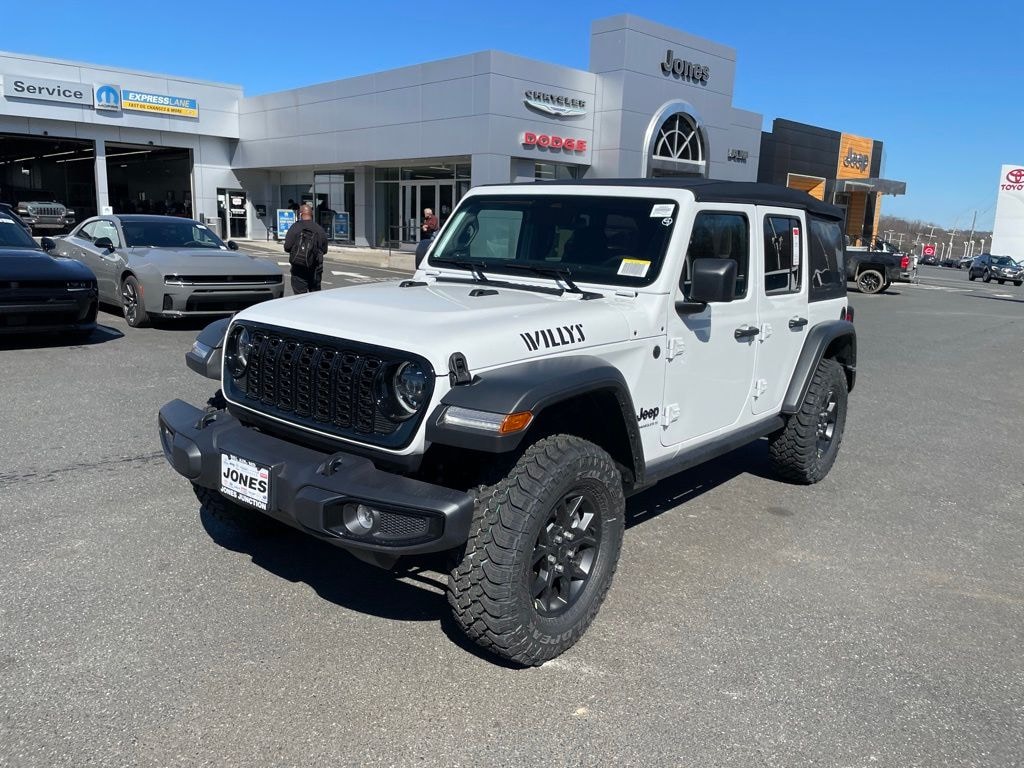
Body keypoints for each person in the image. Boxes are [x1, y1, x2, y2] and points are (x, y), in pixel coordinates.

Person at [283, 203, 328, 293]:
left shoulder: (295, 227)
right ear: (312, 215)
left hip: (298, 268)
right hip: (315, 269)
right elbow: (324, 250)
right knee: (315, 295)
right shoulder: (319, 229)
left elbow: (287, 247)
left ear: (300, 214)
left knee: (299, 296)